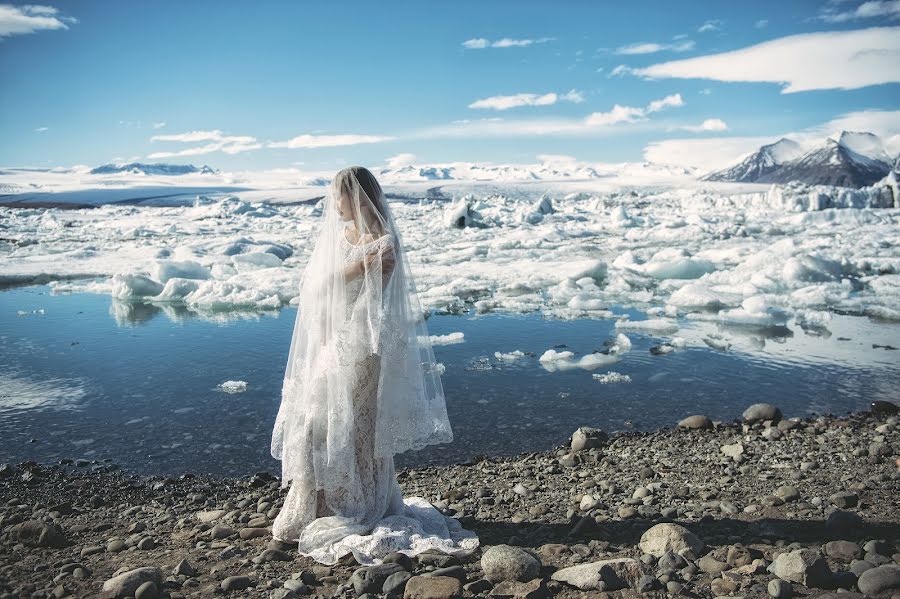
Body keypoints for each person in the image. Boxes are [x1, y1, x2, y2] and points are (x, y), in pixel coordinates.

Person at [270, 166, 479, 565]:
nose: (335, 204)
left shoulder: (384, 244)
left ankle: (360, 503)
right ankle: (321, 505)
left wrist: (348, 270)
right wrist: (348, 270)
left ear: (359, 196)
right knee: (321, 422)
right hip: (334, 342)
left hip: (363, 346)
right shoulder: (343, 238)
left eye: (339, 195)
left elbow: (357, 295)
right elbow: (315, 289)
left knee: (357, 427)